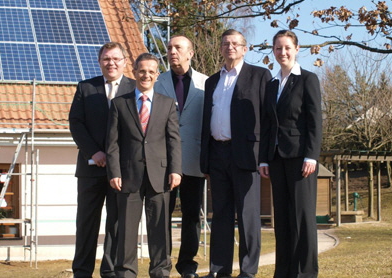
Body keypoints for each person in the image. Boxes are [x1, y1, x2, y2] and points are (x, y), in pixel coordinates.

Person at [200, 29, 272, 278]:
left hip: (246, 155)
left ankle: (248, 271)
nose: (229, 47)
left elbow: (267, 118)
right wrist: (205, 159)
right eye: (225, 43)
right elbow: (206, 120)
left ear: (245, 48)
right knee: (220, 214)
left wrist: (264, 157)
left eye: (235, 43)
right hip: (217, 154)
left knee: (247, 215)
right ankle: (219, 270)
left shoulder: (260, 76)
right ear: (220, 48)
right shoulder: (211, 81)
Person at [106, 53, 182, 278]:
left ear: (157, 75)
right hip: (128, 176)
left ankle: (160, 271)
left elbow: (174, 139)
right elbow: (112, 143)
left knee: (159, 229)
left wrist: (176, 169)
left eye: (151, 71)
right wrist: (114, 172)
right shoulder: (120, 104)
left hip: (160, 176)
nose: (146, 75)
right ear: (134, 73)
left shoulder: (168, 104)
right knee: (127, 231)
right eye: (142, 71)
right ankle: (126, 272)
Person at [258, 29, 322, 278]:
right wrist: (264, 157)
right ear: (273, 51)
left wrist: (311, 156)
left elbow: (315, 120)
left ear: (296, 49)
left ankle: (305, 273)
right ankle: (283, 272)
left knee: (303, 219)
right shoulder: (271, 84)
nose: (282, 52)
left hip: (300, 159)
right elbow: (267, 124)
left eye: (286, 47)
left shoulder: (308, 79)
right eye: (277, 48)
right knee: (282, 219)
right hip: (275, 159)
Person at [69, 42, 136, 278]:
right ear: (100, 62)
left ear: (125, 62)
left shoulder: (134, 88)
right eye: (107, 59)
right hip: (90, 170)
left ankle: (110, 271)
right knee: (86, 223)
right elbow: (76, 123)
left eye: (116, 59)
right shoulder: (86, 88)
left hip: (121, 172)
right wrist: (93, 153)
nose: (111, 63)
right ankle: (81, 271)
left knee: (116, 225)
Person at [154, 35, 208, 278]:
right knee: (161, 215)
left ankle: (187, 266)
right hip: (163, 161)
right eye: (169, 48)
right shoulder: (157, 82)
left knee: (191, 216)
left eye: (178, 47)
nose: (172, 51)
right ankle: (161, 265)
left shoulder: (206, 83)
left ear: (190, 53)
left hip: (194, 160)